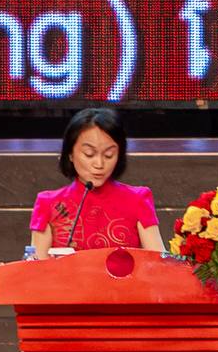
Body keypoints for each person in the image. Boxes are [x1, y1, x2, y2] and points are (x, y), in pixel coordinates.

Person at [28, 108, 165, 259]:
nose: (99, 164)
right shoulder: (48, 203)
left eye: (109, 155)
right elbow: (36, 267)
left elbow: (159, 262)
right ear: (70, 154)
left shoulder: (137, 199)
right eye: (89, 154)